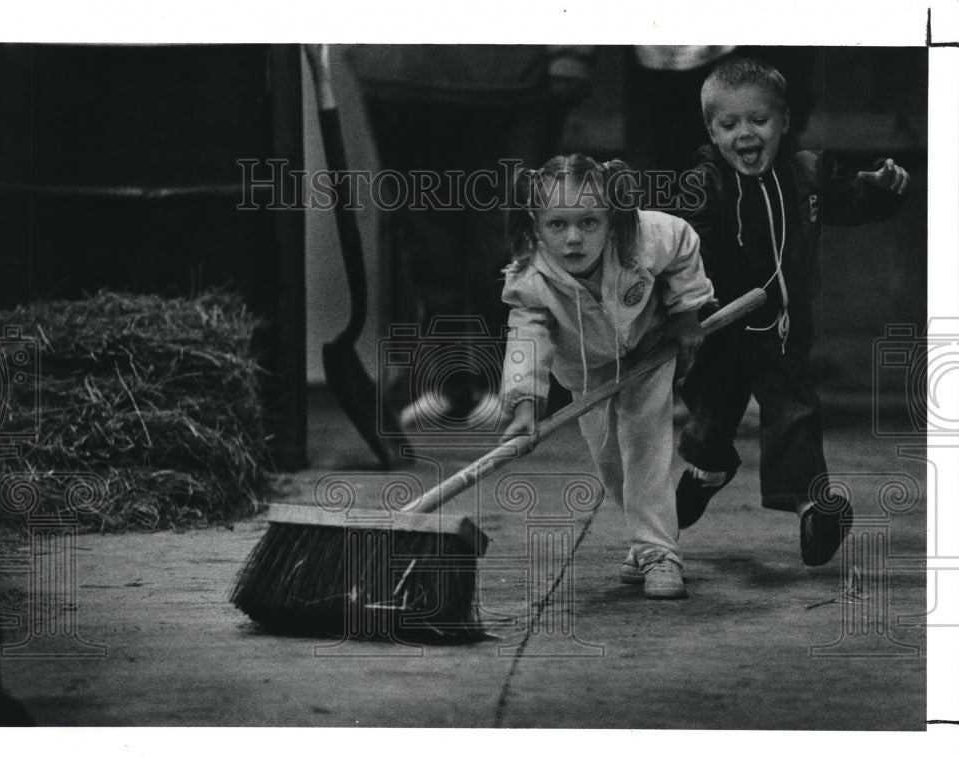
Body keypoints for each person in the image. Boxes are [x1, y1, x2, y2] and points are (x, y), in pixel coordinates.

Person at [675, 58, 910, 566]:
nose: (745, 134)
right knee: (711, 415)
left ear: (782, 121)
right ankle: (708, 473)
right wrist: (690, 307)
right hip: (719, 326)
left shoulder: (806, 172)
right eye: (729, 124)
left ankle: (814, 508)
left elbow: (852, 199)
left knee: (792, 410)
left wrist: (880, 192)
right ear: (712, 132)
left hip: (782, 324)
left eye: (759, 120)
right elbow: (689, 246)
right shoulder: (704, 182)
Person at [345, 45, 595, 428]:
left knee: (507, 231)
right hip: (400, 62)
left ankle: (505, 379)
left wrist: (572, 50)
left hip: (515, 63)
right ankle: (446, 378)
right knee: (425, 234)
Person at [499, 154, 714, 599]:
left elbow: (684, 242)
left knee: (644, 446)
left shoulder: (641, 237)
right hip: (585, 370)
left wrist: (686, 311)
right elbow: (527, 338)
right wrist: (524, 406)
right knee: (609, 461)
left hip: (649, 347)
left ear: (610, 219)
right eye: (557, 225)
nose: (574, 238)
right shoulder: (530, 278)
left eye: (589, 223)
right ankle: (644, 537)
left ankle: (659, 554)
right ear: (535, 225)